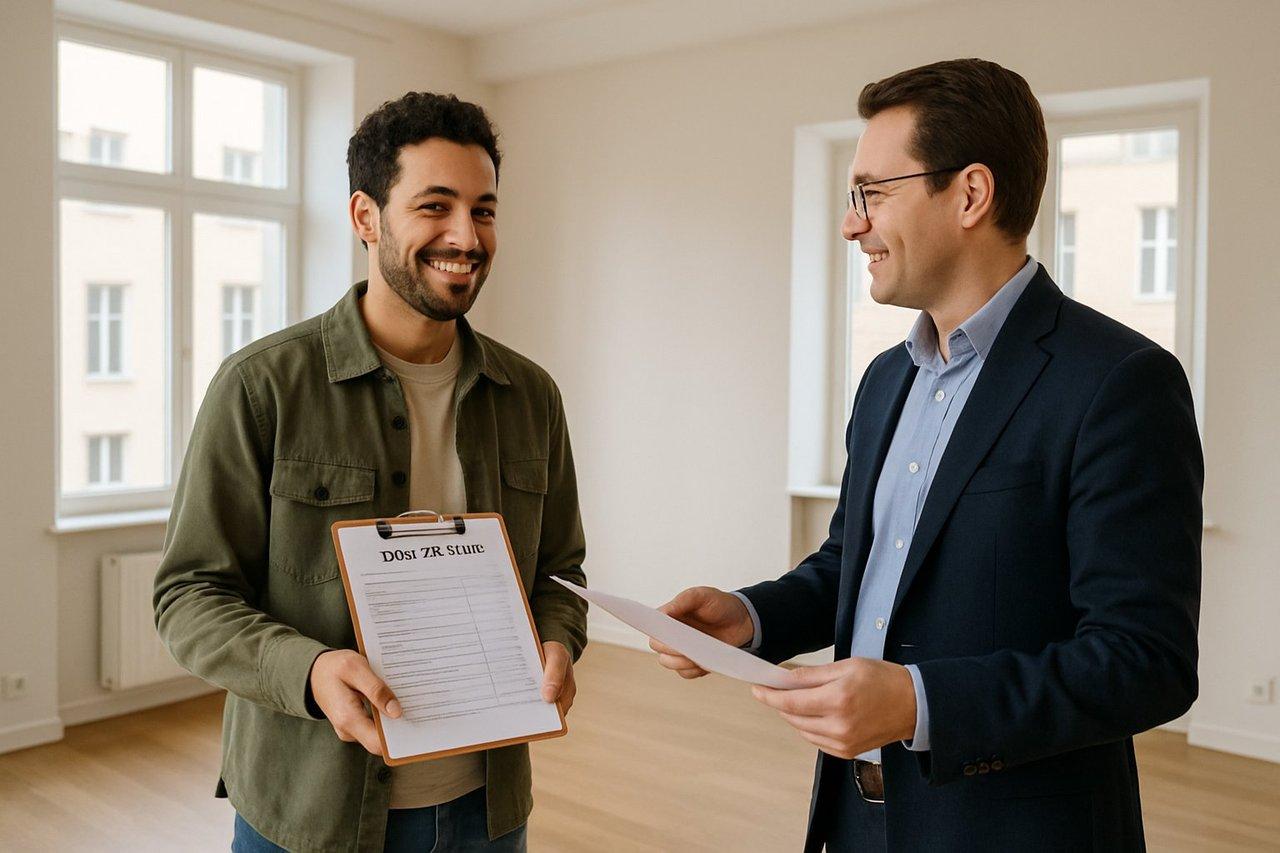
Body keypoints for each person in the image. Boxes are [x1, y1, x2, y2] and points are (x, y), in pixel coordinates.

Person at [652, 59, 1202, 851]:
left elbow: (1144, 661)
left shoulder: (1118, 382)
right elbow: (855, 564)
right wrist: (750, 616)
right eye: (854, 198)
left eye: (874, 193)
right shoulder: (885, 379)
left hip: (1016, 830)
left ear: (971, 194)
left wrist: (918, 701)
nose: (852, 224)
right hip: (857, 818)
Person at [154, 92, 588, 852]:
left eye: (484, 210)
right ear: (365, 217)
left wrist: (558, 640)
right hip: (307, 810)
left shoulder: (532, 395)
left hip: (488, 810)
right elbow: (188, 595)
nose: (466, 235)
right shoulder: (262, 386)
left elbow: (558, 572)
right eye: (435, 206)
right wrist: (311, 669)